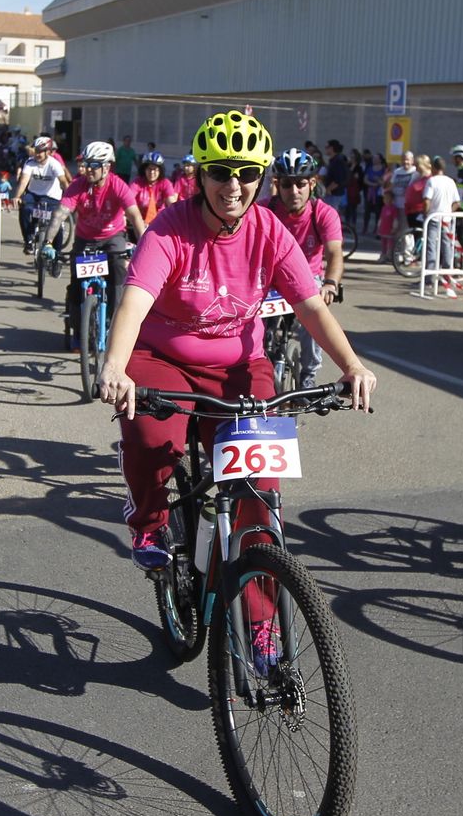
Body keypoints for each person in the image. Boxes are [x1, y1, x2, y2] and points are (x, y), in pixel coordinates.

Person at [95, 111, 375, 673]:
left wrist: (351, 365)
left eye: (247, 173)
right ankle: (148, 521)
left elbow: (311, 305)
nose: (234, 185)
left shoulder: (270, 230)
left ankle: (263, 627)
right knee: (154, 439)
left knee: (256, 500)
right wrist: (116, 365)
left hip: (241, 365)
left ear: (261, 178)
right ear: (200, 175)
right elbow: (136, 301)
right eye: (221, 172)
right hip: (162, 358)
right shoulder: (169, 228)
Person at [37, 140, 145, 345]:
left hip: (112, 238)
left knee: (118, 277)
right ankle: (79, 329)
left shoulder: (118, 186)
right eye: (87, 164)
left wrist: (143, 246)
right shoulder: (78, 185)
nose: (88, 170)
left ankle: (115, 325)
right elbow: (60, 214)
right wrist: (49, 243)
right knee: (77, 285)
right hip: (85, 240)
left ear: (106, 167)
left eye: (94, 165)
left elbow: (135, 217)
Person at [268, 148, 345, 387]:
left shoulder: (324, 213)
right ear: (277, 184)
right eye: (287, 185)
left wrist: (331, 284)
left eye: (300, 184)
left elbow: (334, 253)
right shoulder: (264, 211)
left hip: (308, 280)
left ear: (312, 183)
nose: (294, 191)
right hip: (271, 280)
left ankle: (308, 375)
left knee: (314, 319)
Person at [12, 135, 67, 253]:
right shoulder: (30, 163)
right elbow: (23, 181)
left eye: (40, 152)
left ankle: (57, 255)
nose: (37, 154)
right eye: (36, 151)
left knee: (57, 223)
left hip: (52, 197)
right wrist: (17, 197)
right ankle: (29, 240)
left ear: (48, 152)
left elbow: (63, 181)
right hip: (33, 195)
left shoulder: (54, 164)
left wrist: (68, 198)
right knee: (25, 209)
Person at [422, 151, 462, 295]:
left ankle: (429, 278)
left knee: (431, 247)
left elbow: (427, 199)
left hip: (433, 218)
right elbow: (457, 202)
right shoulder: (450, 181)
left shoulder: (432, 181)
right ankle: (447, 276)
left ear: (433, 167)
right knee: (447, 247)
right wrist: (449, 212)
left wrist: (426, 212)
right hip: (446, 219)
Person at [131, 151, 178, 227]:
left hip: (160, 222)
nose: (152, 172)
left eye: (155, 169)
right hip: (139, 221)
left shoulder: (165, 183)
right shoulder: (137, 182)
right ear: (144, 170)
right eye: (149, 169)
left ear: (160, 171)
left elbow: (172, 203)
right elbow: (128, 200)